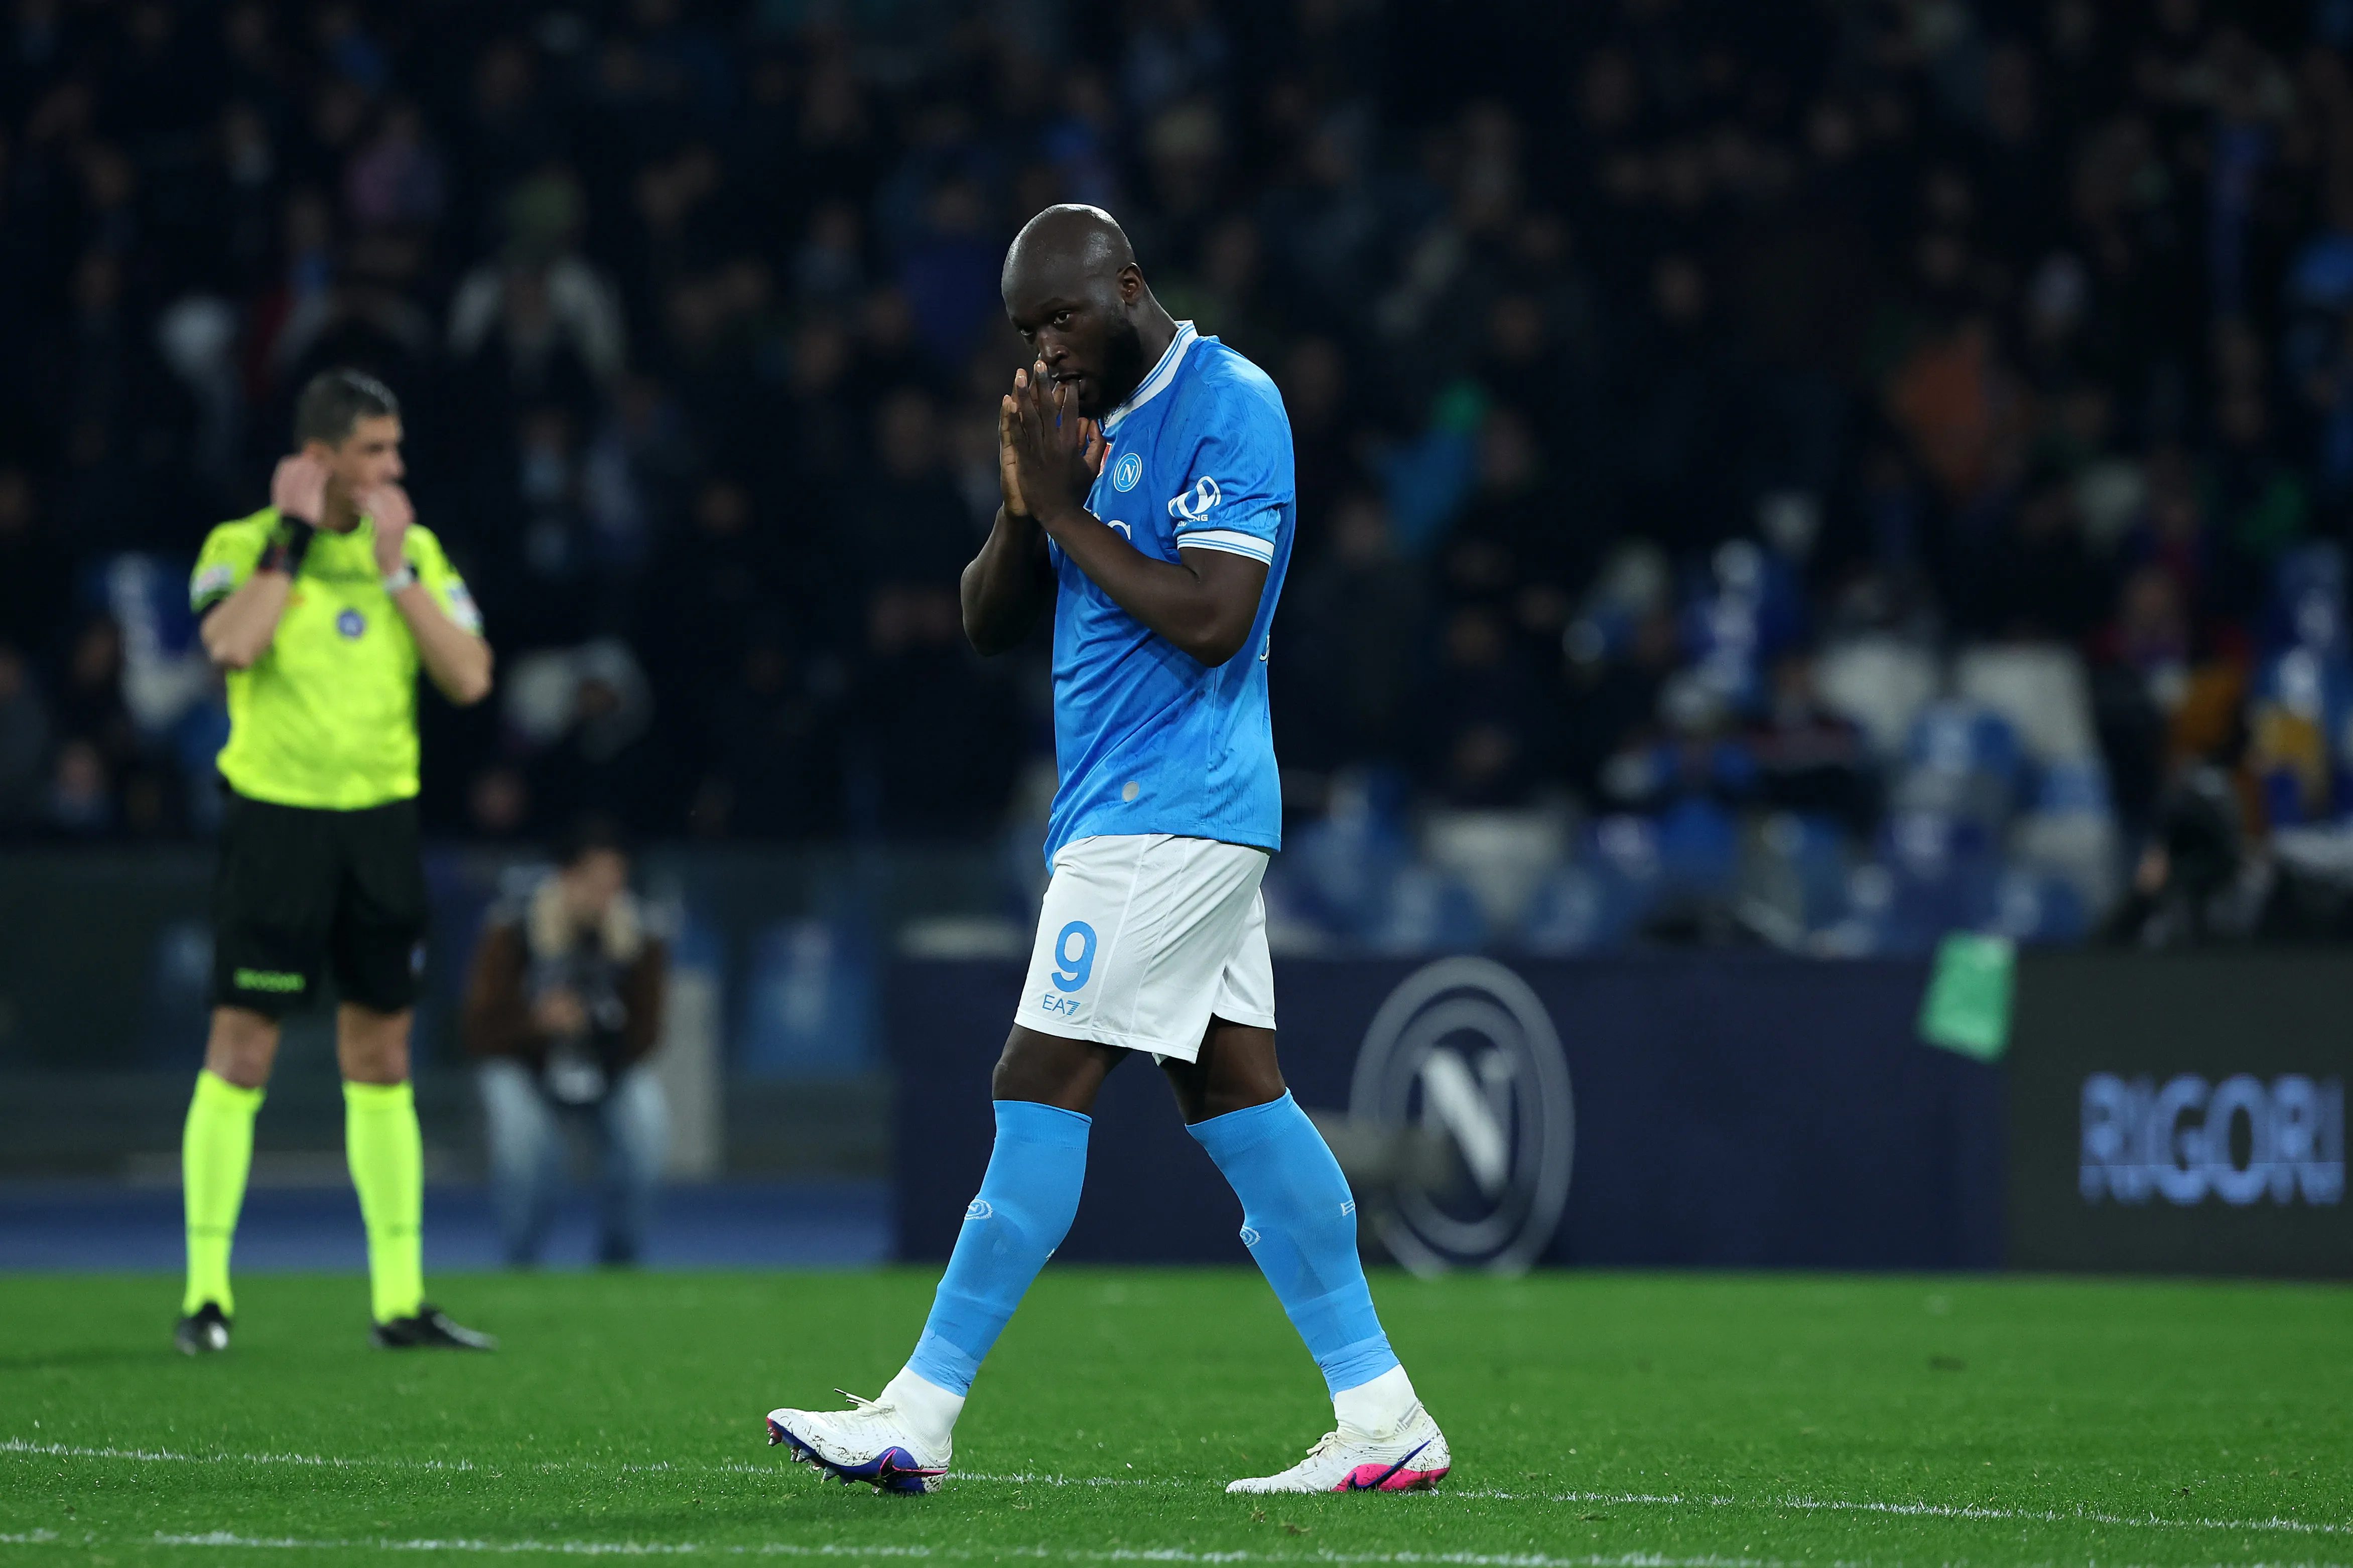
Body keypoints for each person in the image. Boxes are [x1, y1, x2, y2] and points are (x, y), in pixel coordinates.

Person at [763, 206, 1451, 1495]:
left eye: (1061, 321)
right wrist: (1027, 507)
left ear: (1126, 289)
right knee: (1235, 1098)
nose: (1044, 351)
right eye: (1024, 332)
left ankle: (920, 1408)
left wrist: (1072, 513)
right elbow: (985, 622)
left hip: (1170, 804)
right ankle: (1381, 1408)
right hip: (1125, 808)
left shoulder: (1230, 402)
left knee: (1036, 1078)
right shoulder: (1073, 427)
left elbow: (1212, 614)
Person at [175, 367, 497, 1355]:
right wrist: (290, 537)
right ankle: (207, 1295)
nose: (393, 467)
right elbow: (230, 644)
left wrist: (399, 573)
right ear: (319, 458)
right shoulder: (242, 546)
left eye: (394, 450)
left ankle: (400, 1298)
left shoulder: (418, 550)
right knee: (242, 1048)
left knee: (383, 1053)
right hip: (277, 825)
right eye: (374, 450)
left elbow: (471, 675)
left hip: (380, 830)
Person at [461, 814, 669, 1265]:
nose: (606, 894)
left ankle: (622, 1258)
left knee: (647, 1127)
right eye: (595, 881)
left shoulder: (640, 934)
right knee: (524, 1147)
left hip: (607, 1066)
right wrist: (538, 1024)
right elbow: (478, 1028)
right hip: (525, 1065)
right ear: (565, 877)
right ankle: (522, 1258)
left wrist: (601, 1027)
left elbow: (650, 1032)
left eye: (616, 881)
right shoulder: (513, 927)